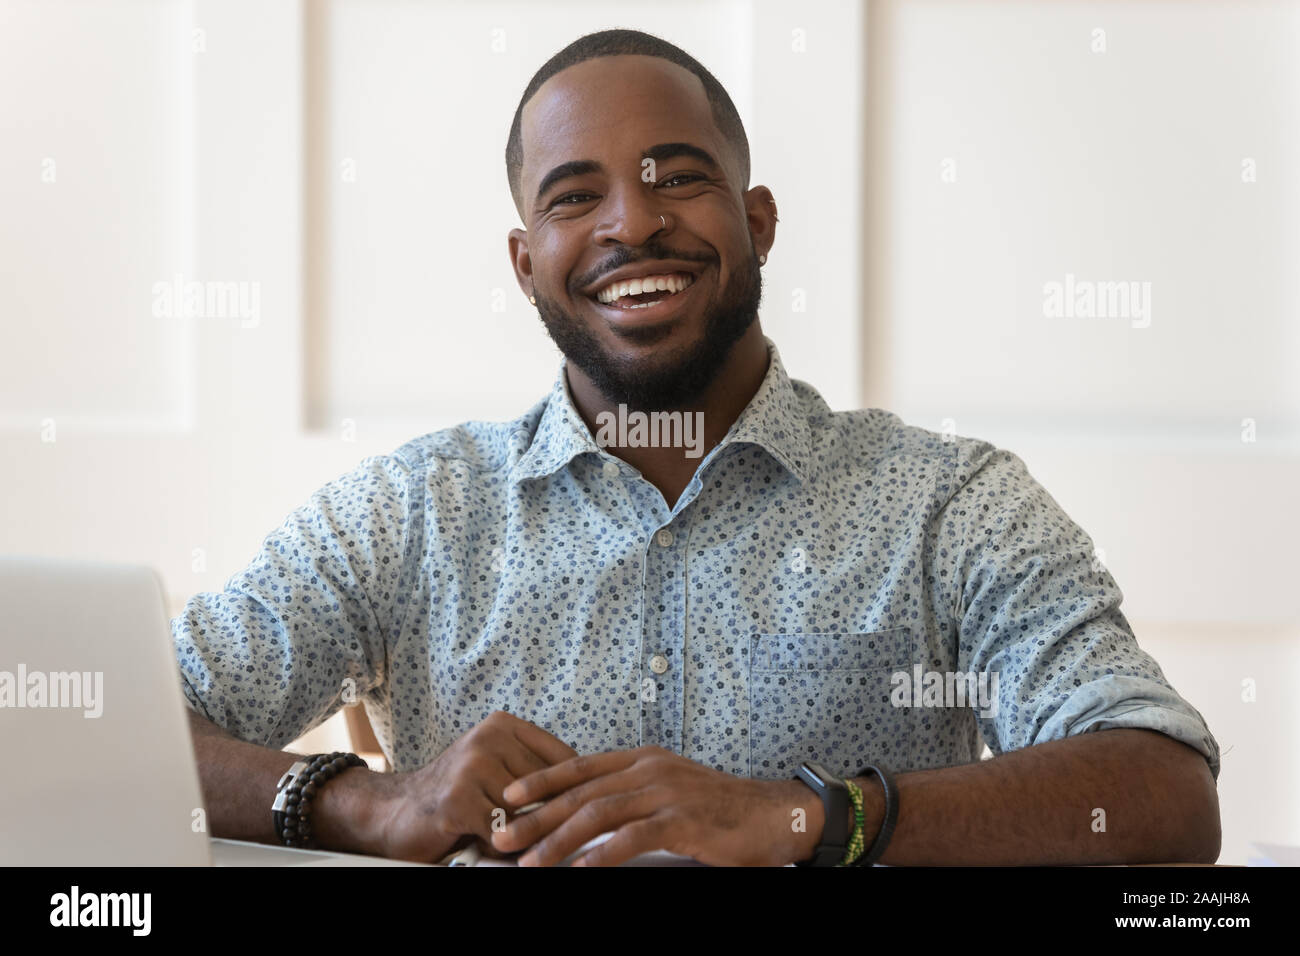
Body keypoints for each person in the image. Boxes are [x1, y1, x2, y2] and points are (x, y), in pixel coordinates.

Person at [173, 29, 1220, 867]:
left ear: (757, 221)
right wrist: (361, 800)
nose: (633, 223)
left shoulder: (949, 503)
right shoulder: (410, 514)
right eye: (575, 196)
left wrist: (799, 818)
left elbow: (1161, 792)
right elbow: (132, 725)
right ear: (525, 261)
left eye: (676, 177)